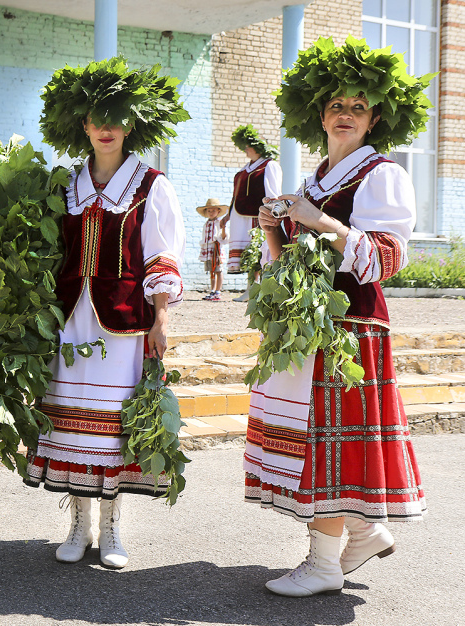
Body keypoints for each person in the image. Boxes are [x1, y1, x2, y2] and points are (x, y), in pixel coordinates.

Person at [245, 36, 430, 597]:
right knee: (313, 436)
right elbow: (286, 263)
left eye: (357, 107)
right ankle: (363, 531)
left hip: (351, 326)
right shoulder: (315, 179)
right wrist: (274, 231)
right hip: (310, 325)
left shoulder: (381, 175)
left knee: (327, 439)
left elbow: (384, 260)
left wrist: (317, 219)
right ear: (319, 115)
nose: (344, 115)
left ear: (374, 119)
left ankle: (324, 565)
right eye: (335, 106)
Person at [23, 57, 188, 569]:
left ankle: (113, 529)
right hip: (72, 321)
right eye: (96, 117)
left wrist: (162, 318)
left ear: (133, 123)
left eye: (116, 116)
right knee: (72, 424)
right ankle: (78, 524)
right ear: (82, 125)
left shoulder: (150, 185)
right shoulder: (67, 187)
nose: (106, 127)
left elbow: (163, 253)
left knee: (115, 424)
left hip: (123, 322)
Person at [221, 125, 281, 302]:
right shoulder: (242, 170)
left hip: (257, 216)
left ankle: (259, 288)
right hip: (240, 217)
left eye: (249, 145)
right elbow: (235, 196)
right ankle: (250, 288)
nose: (245, 149)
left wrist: (273, 213)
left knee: (257, 251)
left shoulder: (269, 166)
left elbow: (273, 193)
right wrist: (228, 216)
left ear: (258, 146)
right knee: (247, 253)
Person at [197, 198, 229, 301]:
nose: (211, 213)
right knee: (211, 270)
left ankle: (218, 291)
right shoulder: (206, 224)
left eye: (213, 210)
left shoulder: (220, 223)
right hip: (208, 250)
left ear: (218, 211)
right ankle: (212, 290)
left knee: (218, 270)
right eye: (209, 211)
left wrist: (223, 228)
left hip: (216, 249)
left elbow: (224, 237)